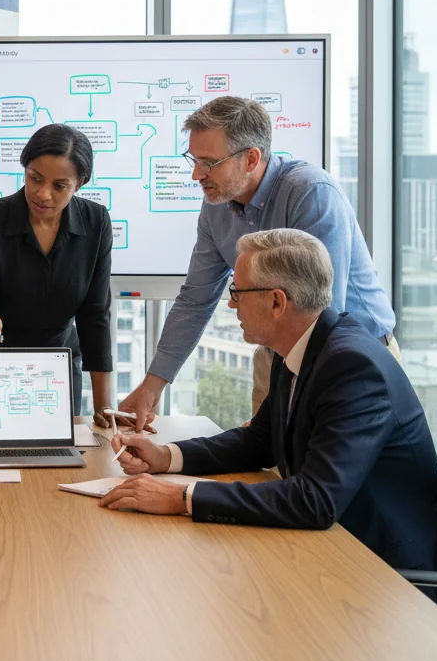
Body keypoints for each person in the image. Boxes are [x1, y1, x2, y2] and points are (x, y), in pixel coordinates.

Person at [101, 229, 437, 573]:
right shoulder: (302, 347)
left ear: (276, 301)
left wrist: (181, 497)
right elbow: (258, 442)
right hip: (342, 546)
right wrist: (167, 457)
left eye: (237, 292)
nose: (231, 303)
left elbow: (316, 500)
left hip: (390, 574)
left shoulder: (352, 366)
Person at [120, 96, 397, 429]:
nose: (196, 174)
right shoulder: (216, 206)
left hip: (349, 360)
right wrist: (151, 388)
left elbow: (324, 315)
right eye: (193, 160)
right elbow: (196, 299)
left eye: (208, 163)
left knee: (320, 478)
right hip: (275, 356)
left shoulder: (311, 194)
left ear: (251, 158)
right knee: (264, 470)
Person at [0, 123, 113, 421]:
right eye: (35, 178)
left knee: (58, 462)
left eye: (59, 186)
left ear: (79, 183)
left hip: (57, 365)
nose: (43, 194)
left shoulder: (96, 222)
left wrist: (103, 407)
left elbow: (95, 315)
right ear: (25, 170)